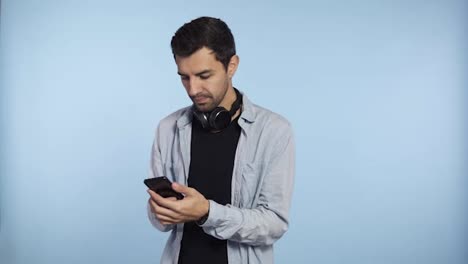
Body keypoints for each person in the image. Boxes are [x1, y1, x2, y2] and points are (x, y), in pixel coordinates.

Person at [146, 16, 295, 264]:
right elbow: (159, 223)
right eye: (185, 77)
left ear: (232, 65)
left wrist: (207, 212)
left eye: (204, 75)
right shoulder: (167, 128)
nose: (193, 89)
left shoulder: (274, 131)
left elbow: (274, 224)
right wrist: (159, 212)